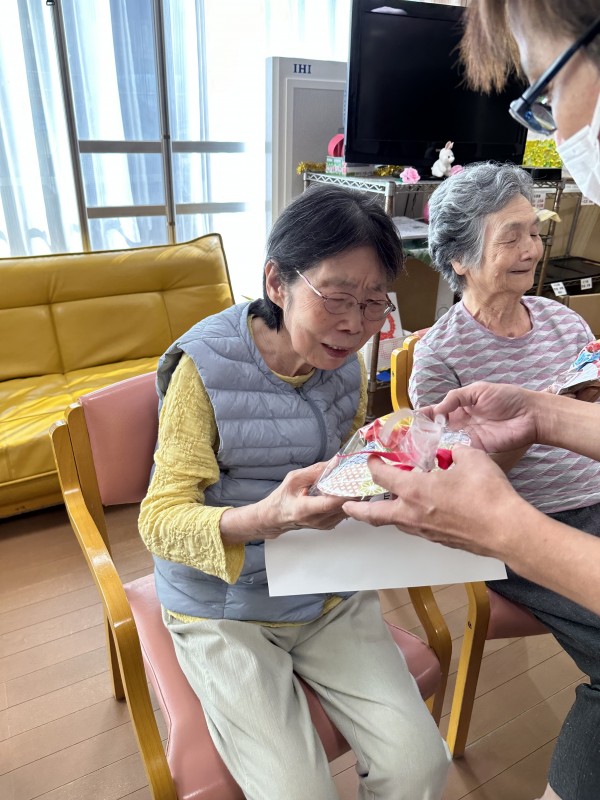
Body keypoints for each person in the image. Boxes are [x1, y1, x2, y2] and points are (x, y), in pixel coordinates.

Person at [347, 3, 600, 799]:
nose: (533, 249)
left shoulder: (565, 320)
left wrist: (570, 409)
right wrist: (523, 439)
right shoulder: (443, 354)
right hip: (523, 527)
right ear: (458, 259)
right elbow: (453, 475)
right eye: (510, 237)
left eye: (535, 231)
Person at [138, 185, 450, 800]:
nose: (355, 326)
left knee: (421, 765)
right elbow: (159, 521)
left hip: (324, 588)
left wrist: (401, 466)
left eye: (373, 304)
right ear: (277, 283)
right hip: (225, 607)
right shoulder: (204, 369)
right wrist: (267, 518)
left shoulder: (345, 363)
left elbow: (341, 467)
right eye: (337, 298)